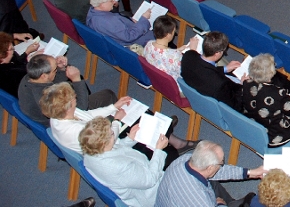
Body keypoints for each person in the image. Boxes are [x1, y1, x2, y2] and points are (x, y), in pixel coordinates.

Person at [40, 82, 190, 165]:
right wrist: (116, 121)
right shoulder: (75, 132)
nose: (75, 98)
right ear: (68, 106)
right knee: (141, 121)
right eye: (73, 98)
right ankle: (170, 147)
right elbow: (106, 140)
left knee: (138, 114)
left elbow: (89, 115)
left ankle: (165, 132)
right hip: (111, 149)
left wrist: (114, 107)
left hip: (104, 139)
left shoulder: (59, 115)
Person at [80, 116, 167, 207]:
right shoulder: (118, 168)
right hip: (150, 194)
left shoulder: (90, 152)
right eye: (112, 133)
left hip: (137, 179)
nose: (114, 134)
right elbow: (150, 179)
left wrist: (130, 139)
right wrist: (158, 151)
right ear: (104, 143)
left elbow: (115, 150)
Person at [154, 140, 268, 207]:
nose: (223, 164)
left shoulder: (186, 159)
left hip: (174, 197)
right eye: (221, 162)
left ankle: (232, 203)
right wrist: (219, 204)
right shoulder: (201, 200)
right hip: (192, 199)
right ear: (210, 168)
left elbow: (220, 171)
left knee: (214, 183)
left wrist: (250, 173)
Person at [18, 53, 116, 125]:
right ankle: (119, 123)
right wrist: (77, 80)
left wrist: (61, 68)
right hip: (62, 120)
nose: (56, 71)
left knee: (74, 83)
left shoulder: (30, 77)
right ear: (44, 75)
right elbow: (80, 108)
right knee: (108, 94)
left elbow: (54, 79)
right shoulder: (46, 97)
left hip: (54, 113)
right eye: (55, 69)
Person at [242, 54, 290, 147]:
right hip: (275, 137)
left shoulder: (246, 84)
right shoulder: (278, 93)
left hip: (256, 129)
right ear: (270, 73)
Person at [86, 0, 154, 46]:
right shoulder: (108, 22)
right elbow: (129, 37)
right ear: (102, 4)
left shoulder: (93, 11)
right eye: (111, 0)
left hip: (124, 33)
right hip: (135, 42)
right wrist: (143, 20)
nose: (114, 1)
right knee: (162, 31)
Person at [143, 16, 198, 80]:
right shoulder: (175, 56)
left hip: (156, 77)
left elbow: (163, 54)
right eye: (174, 32)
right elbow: (187, 71)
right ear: (168, 35)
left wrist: (177, 50)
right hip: (174, 83)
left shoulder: (149, 44)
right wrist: (193, 51)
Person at [0, 31, 40, 96]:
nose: (13, 48)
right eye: (11, 49)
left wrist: (27, 54)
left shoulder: (6, 63)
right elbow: (31, 75)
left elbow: (16, 63)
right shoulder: (12, 74)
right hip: (28, 93)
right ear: (2, 56)